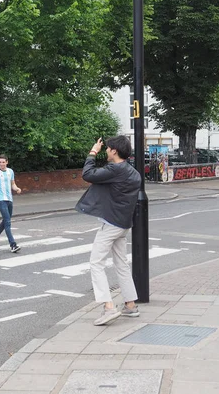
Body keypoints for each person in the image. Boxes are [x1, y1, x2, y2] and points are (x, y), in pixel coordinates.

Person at [75, 136, 142, 326]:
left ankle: (108, 307)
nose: (106, 151)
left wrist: (93, 151)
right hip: (123, 225)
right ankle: (130, 305)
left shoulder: (115, 169)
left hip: (111, 224)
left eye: (108, 149)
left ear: (114, 151)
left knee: (96, 263)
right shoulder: (133, 173)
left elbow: (87, 174)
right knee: (121, 263)